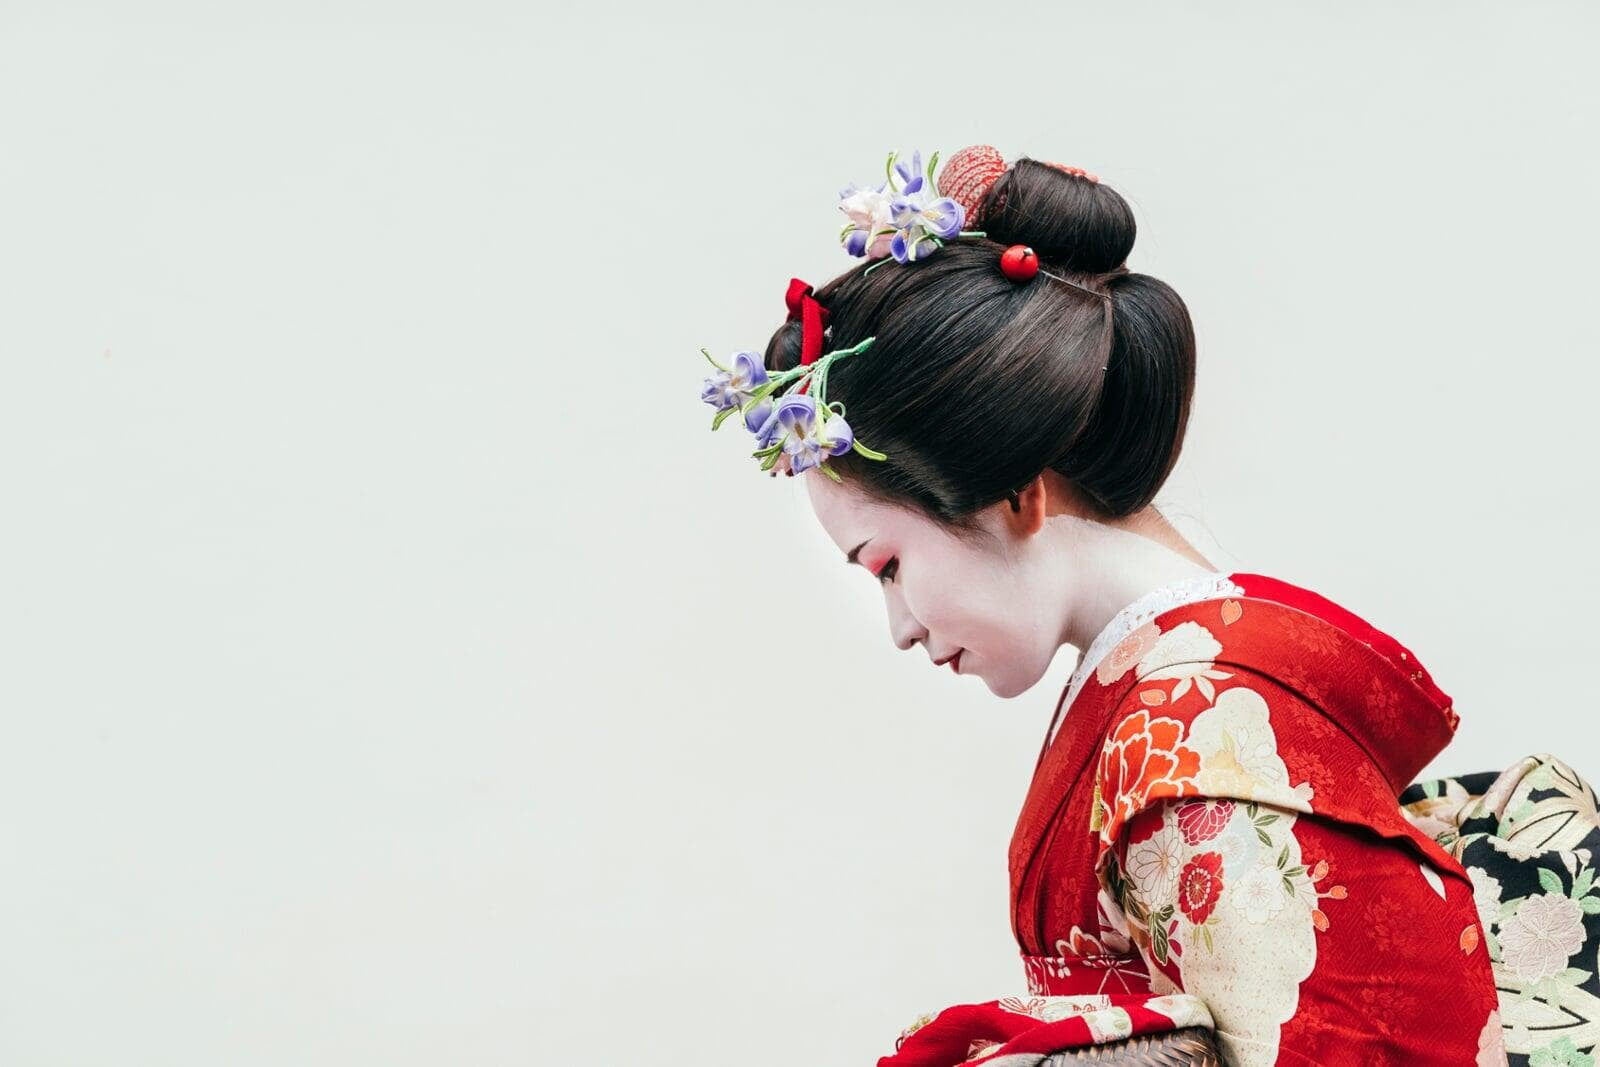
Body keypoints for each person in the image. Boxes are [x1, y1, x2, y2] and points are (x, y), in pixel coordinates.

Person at [698, 145, 1592, 1066]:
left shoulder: (1195, 736)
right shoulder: (1182, 685)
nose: (900, 624)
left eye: (886, 564)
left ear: (1016, 493)